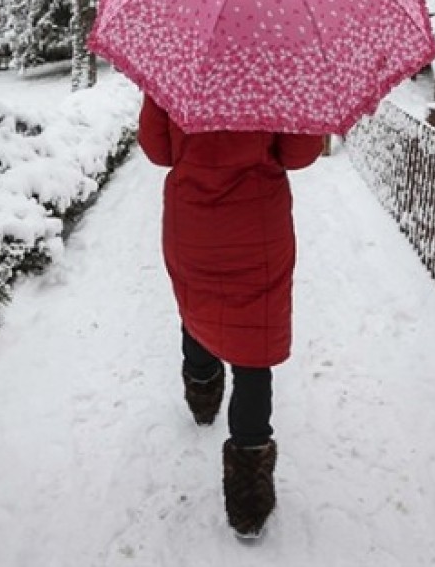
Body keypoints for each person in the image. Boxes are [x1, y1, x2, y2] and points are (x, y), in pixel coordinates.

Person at [136, 94, 325, 538]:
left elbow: (156, 150)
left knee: (198, 304)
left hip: (192, 221)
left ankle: (202, 395)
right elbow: (301, 155)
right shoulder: (274, 72)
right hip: (258, 225)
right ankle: (248, 497)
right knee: (253, 341)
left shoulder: (175, 68)